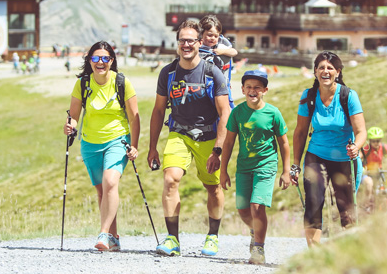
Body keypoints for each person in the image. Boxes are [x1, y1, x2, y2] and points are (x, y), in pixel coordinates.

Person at [148, 20, 231, 257]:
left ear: (199, 42)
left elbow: (225, 112)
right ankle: (172, 239)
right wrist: (152, 147)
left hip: (208, 136)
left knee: (212, 187)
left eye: (191, 40)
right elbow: (158, 110)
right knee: (171, 179)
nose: (186, 44)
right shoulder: (168, 72)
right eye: (182, 40)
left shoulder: (212, 72)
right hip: (179, 134)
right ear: (177, 44)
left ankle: (212, 237)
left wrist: (218, 148)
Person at [63, 41, 140, 251]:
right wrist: (70, 126)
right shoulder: (82, 84)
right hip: (90, 143)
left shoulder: (122, 82)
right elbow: (74, 116)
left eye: (105, 58)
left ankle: (103, 234)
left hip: (117, 140)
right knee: (102, 191)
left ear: (111, 61)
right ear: (89, 61)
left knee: (110, 182)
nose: (100, 62)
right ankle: (113, 237)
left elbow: (134, 118)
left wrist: (134, 145)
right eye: (96, 58)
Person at [291, 51, 367, 247]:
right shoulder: (308, 96)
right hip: (317, 155)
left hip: (345, 158)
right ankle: (314, 255)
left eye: (330, 68)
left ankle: (349, 254)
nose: (325, 71)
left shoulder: (348, 96)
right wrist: (294, 165)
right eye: (321, 67)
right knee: (313, 204)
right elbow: (300, 132)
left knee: (346, 208)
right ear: (315, 71)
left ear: (338, 72)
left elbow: (361, 132)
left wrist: (356, 147)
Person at [220, 70, 291, 264]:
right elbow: (228, 143)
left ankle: (258, 249)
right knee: (243, 209)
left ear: (265, 90)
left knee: (257, 206)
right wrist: (223, 170)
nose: (253, 91)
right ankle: (255, 232)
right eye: (249, 87)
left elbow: (284, 143)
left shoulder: (273, 113)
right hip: (244, 167)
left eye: (257, 87)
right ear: (242, 89)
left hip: (266, 165)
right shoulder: (237, 112)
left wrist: (286, 171)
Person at [360, 126, 387, 212]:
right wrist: (361, 169)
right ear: (370, 141)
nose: (376, 143)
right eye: (373, 141)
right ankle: (366, 206)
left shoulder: (384, 147)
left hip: (379, 172)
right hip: (367, 173)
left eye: (378, 140)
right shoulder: (366, 148)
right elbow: (357, 159)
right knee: (369, 184)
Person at [199, 15, 237, 86]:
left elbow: (234, 52)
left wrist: (222, 52)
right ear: (201, 34)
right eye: (209, 35)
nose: (213, 38)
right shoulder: (197, 46)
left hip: (219, 83)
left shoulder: (220, 46)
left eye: (216, 36)